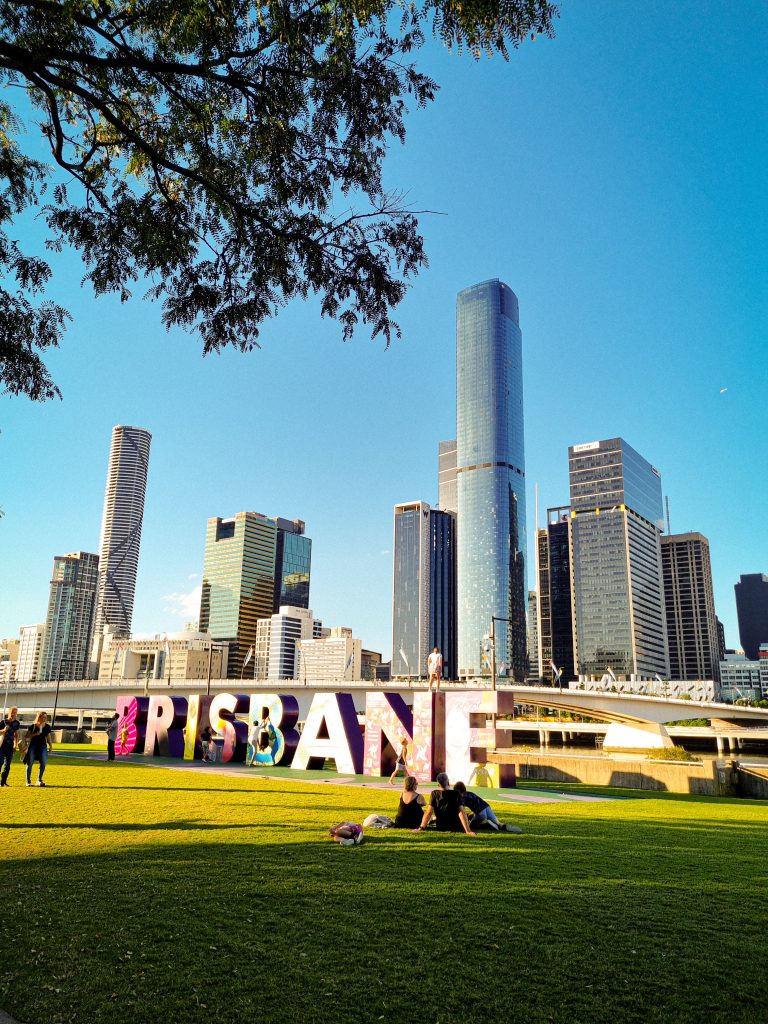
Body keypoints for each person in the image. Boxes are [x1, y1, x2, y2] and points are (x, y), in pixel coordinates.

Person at [454, 780, 521, 833]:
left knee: (471, 826)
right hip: (487, 807)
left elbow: (462, 811)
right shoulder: (469, 793)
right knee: (498, 822)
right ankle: (501, 825)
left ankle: (487, 826)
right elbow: (477, 803)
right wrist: (472, 813)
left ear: (458, 791)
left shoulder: (462, 798)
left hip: (481, 812)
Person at [24, 712, 53, 787]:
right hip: (33, 746)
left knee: (43, 762)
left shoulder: (47, 727)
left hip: (42, 746)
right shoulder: (33, 726)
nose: (45, 718)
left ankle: (39, 780)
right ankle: (28, 781)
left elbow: (48, 737)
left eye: (46, 717)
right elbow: (26, 736)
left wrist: (50, 745)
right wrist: (35, 734)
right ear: (39, 717)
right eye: (43, 717)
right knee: (30, 763)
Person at [0, 707, 20, 787]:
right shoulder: (3, 722)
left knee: (7, 765)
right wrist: (4, 730)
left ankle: (3, 782)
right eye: (12, 712)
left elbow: (16, 735)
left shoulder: (17, 723)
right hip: (1, 745)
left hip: (10, 746)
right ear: (9, 713)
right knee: (0, 762)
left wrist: (15, 745)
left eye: (15, 713)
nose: (13, 714)